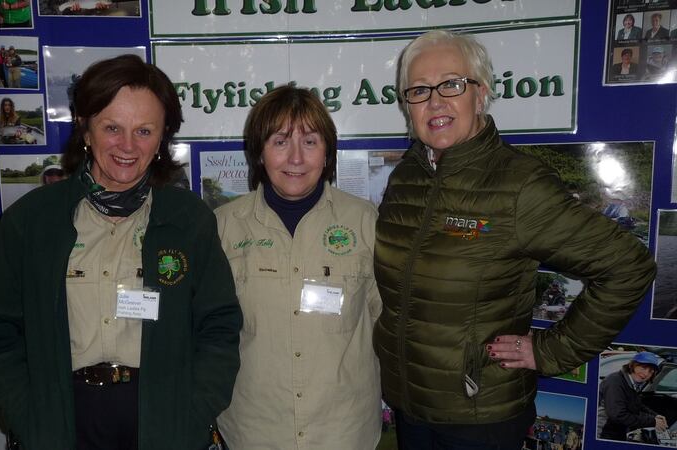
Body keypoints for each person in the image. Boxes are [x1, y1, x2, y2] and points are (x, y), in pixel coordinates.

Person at [374, 29, 656, 450]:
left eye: (451, 84)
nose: (434, 101)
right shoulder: (407, 177)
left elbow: (628, 268)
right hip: (411, 407)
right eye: (418, 90)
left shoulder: (519, 185)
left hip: (479, 416)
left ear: (481, 92)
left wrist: (548, 351)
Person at [0, 54, 242, 449]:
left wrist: (194, 411)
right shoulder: (33, 220)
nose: (127, 146)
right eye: (112, 127)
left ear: (163, 137)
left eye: (144, 131)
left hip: (164, 423)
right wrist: (25, 414)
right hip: (61, 423)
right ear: (85, 128)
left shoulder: (189, 220)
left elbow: (219, 326)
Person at [214, 85, 382, 449]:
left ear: (327, 153)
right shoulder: (223, 227)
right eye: (279, 142)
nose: (295, 158)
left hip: (344, 430)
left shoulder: (365, 222)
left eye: (309, 142)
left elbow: (385, 319)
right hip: (254, 429)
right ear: (259, 152)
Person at [598, 351, 669, 440]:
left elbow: (636, 405)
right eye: (643, 367)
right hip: (602, 433)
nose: (646, 374)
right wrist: (652, 422)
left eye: (650, 371)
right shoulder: (615, 382)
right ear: (633, 365)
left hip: (618, 431)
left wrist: (654, 416)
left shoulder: (632, 383)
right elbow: (618, 415)